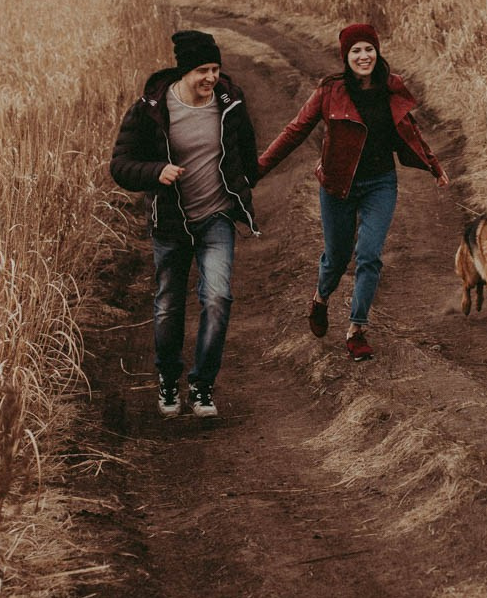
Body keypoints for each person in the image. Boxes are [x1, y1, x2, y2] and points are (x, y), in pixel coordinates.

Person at [256, 22, 448, 362]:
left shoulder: (391, 88)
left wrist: (434, 165)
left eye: (369, 49)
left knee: (370, 255)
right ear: (346, 56)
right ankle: (320, 298)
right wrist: (259, 168)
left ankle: (357, 329)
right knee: (337, 257)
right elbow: (295, 131)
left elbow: (411, 130)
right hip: (337, 184)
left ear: (377, 52)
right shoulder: (330, 90)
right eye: (356, 51)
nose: (363, 56)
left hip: (380, 183)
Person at [110, 29, 259, 419]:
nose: (211, 78)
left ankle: (203, 385)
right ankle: (168, 378)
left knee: (218, 297)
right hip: (172, 223)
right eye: (202, 71)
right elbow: (120, 166)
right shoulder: (151, 109)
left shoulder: (230, 101)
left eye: (215, 69)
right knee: (168, 305)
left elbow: (247, 152)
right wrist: (156, 171)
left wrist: (238, 188)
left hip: (217, 218)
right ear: (183, 72)